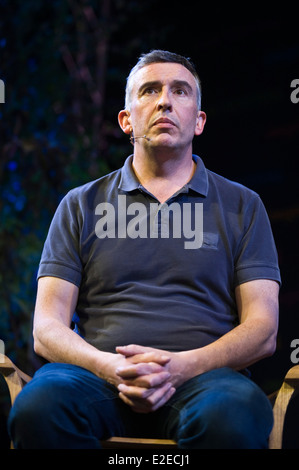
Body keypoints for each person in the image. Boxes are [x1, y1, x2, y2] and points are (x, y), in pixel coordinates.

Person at [8, 50, 281, 449]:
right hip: (96, 378)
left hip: (206, 382)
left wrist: (182, 367)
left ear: (199, 121)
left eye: (181, 91)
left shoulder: (243, 205)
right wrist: (110, 367)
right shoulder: (80, 205)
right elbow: (46, 329)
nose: (165, 100)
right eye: (150, 90)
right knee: (39, 408)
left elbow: (263, 330)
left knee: (235, 415)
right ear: (126, 120)